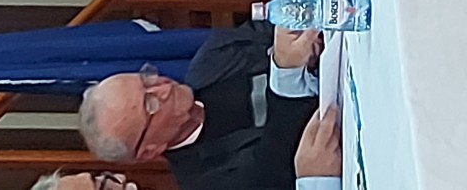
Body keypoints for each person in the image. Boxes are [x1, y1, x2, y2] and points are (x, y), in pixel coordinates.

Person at [78, 24, 337, 190]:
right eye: (150, 103)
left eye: (146, 79)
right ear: (149, 151)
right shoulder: (205, 180)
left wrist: (300, 35)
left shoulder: (212, 58)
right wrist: (286, 69)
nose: (163, 87)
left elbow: (271, 25)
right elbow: (279, 161)